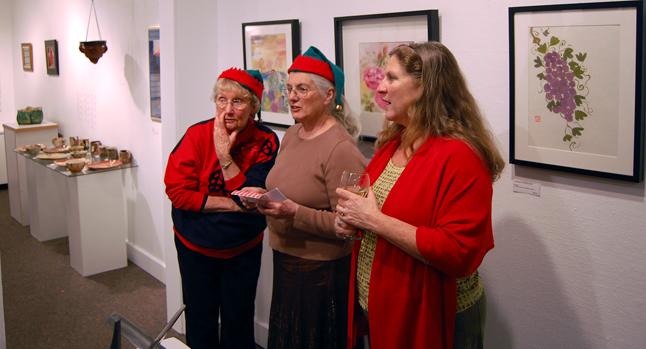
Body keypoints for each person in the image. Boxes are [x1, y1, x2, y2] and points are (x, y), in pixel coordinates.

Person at [335, 41, 505, 349]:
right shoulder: (394, 143)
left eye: (391, 78)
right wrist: (351, 222)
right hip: (386, 309)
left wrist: (373, 220)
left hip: (432, 315)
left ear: (426, 86)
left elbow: (458, 252)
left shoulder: (461, 156)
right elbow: (376, 212)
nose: (380, 87)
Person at [241, 46, 366, 349]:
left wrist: (293, 211)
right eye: (289, 89)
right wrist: (263, 196)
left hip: (320, 273)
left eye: (302, 89)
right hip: (285, 261)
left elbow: (350, 226)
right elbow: (288, 186)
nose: (292, 97)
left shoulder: (341, 149)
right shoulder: (293, 134)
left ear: (328, 96)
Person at [164, 68, 280, 349]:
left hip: (243, 248)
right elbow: (178, 193)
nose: (227, 109)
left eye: (238, 101)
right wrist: (233, 204)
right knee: (200, 319)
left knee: (239, 320)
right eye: (221, 99)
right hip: (195, 246)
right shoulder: (196, 135)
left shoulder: (266, 141)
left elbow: (250, 199)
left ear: (254, 106)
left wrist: (224, 157)